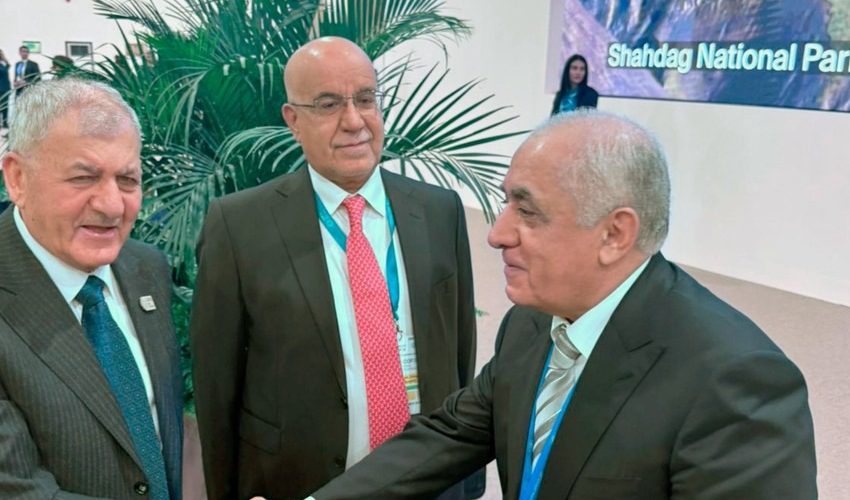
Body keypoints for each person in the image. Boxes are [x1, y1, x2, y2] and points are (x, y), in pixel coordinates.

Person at [309, 110, 818, 499]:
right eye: (506, 202)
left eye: (527, 211)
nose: (497, 233)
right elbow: (450, 435)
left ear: (615, 234)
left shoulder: (736, 381)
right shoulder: (530, 324)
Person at [191, 36, 480, 500]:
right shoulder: (240, 225)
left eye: (365, 99)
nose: (354, 121)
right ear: (293, 120)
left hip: (430, 484)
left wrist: (466, 484)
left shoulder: (439, 211)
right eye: (328, 105)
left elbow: (460, 355)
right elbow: (217, 386)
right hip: (297, 484)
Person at [0, 78, 183, 499]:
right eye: (84, 177)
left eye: (128, 180)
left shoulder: (146, 267)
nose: (112, 205)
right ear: (18, 178)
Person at [0, 49, 10, 129]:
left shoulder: (2, 64)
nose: (2, 55)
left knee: (5, 106)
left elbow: (8, 66)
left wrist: (5, 59)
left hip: (5, 88)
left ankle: (5, 122)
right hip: (1, 88)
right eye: (1, 54)